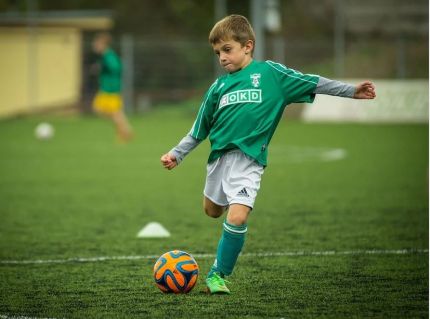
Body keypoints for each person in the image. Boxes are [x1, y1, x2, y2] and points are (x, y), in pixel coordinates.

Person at [160, 15, 376, 294]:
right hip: (219, 161)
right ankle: (229, 208)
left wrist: (351, 91)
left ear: (247, 46)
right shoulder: (218, 88)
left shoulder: (271, 75)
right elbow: (199, 129)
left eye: (227, 49)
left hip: (249, 161)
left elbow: (313, 82)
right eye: (217, 53)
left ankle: (218, 274)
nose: (222, 58)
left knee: (237, 218)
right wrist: (177, 155)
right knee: (212, 211)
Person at [92, 32, 133, 142]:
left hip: (110, 89)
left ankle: (125, 131)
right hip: (106, 88)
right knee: (107, 111)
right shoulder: (106, 56)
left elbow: (116, 67)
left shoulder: (108, 55)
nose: (95, 45)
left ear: (103, 44)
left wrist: (103, 68)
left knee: (113, 112)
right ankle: (125, 130)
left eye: (97, 44)